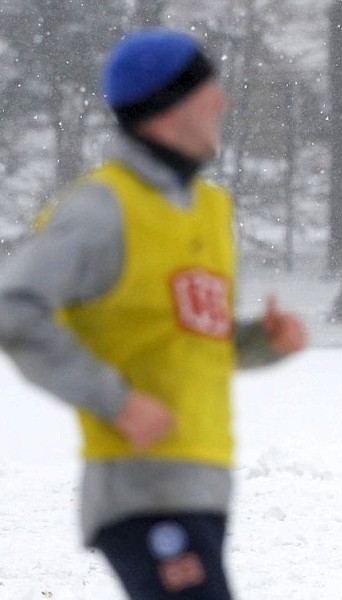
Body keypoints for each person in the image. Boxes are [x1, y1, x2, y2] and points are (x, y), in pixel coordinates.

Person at [0, 28, 306, 598]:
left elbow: (188, 340)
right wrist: (116, 401)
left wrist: (262, 341)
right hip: (139, 487)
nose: (223, 101)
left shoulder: (210, 210)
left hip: (203, 482)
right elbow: (14, 309)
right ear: (169, 107)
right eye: (209, 88)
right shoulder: (102, 208)